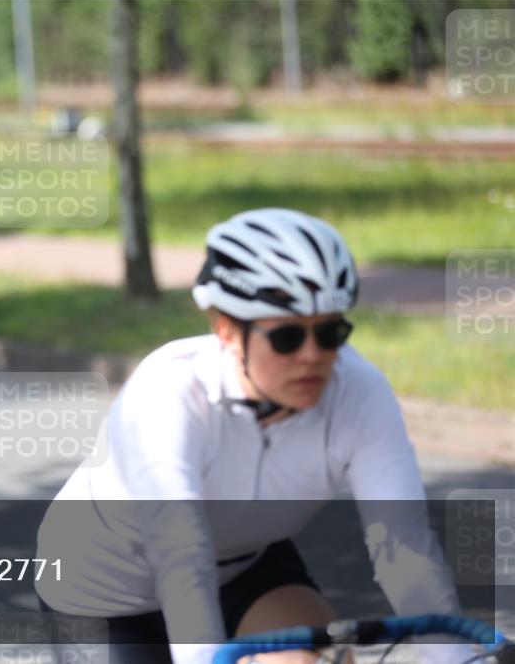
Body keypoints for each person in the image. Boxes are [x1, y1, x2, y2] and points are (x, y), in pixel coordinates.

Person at [35, 209, 475, 664]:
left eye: (330, 333)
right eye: (287, 337)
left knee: (314, 661)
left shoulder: (357, 391)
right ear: (227, 329)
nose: (313, 356)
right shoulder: (168, 395)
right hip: (100, 593)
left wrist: (455, 657)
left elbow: (403, 547)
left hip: (241, 568)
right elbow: (181, 559)